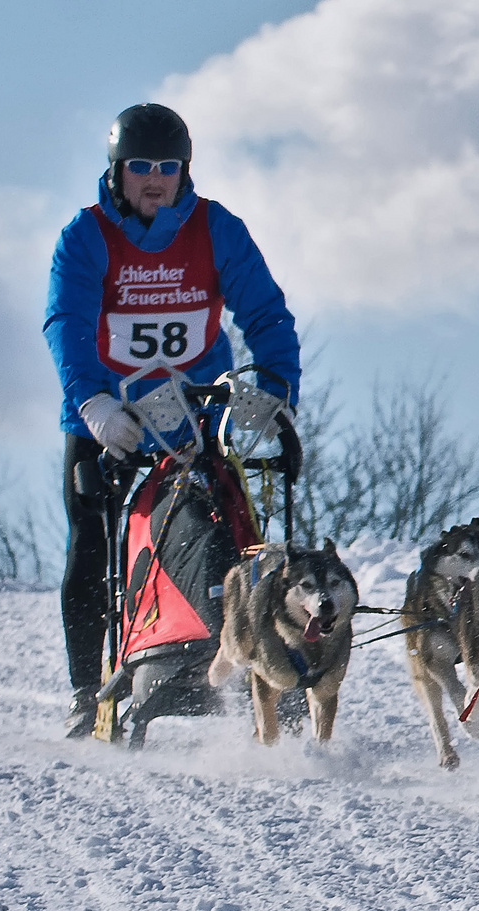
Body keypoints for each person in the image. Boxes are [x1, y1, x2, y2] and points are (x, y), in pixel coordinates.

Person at [46, 103, 301, 736]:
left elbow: (265, 314)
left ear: (185, 170)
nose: (154, 179)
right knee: (92, 545)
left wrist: (274, 390)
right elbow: (67, 325)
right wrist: (93, 405)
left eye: (167, 167)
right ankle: (89, 690)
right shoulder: (86, 236)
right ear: (117, 172)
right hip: (108, 415)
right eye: (140, 167)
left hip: (196, 414)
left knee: (235, 532)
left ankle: (257, 657)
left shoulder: (217, 229)